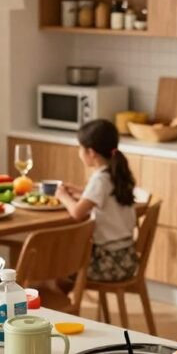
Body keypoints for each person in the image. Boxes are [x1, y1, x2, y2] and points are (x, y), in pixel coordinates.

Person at [56, 118, 139, 282]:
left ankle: (64, 305)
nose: (79, 153)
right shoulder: (114, 173)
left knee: (57, 268)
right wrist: (81, 191)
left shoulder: (100, 179)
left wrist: (62, 196)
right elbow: (105, 198)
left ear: (91, 152)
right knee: (62, 268)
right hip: (127, 258)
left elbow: (77, 213)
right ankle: (67, 305)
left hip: (109, 262)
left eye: (80, 148)